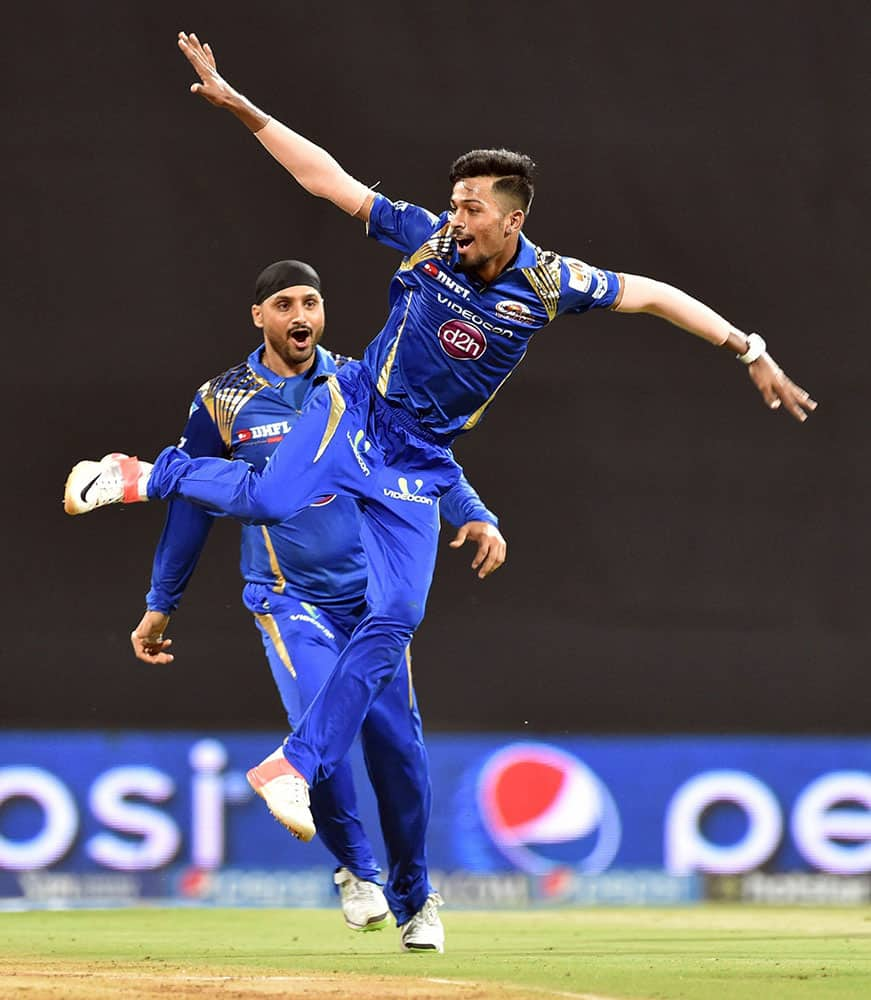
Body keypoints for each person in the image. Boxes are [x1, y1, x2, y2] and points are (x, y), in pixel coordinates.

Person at [65, 30, 816, 888]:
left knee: (393, 621)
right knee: (272, 502)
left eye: (469, 207)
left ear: (513, 217)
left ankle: (288, 766)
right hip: (353, 414)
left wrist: (745, 345)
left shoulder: (550, 284)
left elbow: (649, 295)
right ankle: (144, 472)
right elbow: (329, 179)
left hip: (417, 463)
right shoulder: (425, 243)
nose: (454, 217)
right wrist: (245, 111)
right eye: (452, 203)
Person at [121, 259, 504, 953]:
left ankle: (415, 897)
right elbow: (193, 507)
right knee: (313, 735)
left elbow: (420, 452)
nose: (301, 316)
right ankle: (357, 870)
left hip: (371, 601)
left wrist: (472, 513)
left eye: (312, 302)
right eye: (284, 304)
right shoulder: (223, 400)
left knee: (399, 755)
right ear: (258, 316)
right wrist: (161, 601)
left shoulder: (361, 380)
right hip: (286, 597)